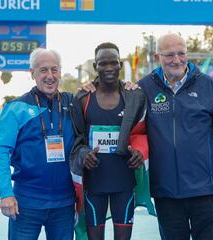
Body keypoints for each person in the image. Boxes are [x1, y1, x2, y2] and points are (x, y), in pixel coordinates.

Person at [138, 33, 213, 240]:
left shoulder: (209, 86)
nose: (176, 59)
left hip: (206, 192)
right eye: (169, 54)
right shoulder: (144, 88)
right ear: (157, 57)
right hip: (166, 192)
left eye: (181, 53)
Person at [0, 48, 76, 240]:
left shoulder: (72, 103)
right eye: (43, 70)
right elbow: (1, 153)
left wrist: (127, 86)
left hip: (64, 204)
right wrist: (5, 193)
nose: (50, 76)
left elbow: (103, 94)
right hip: (26, 203)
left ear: (60, 72)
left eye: (54, 70)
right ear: (32, 73)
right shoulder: (16, 108)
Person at [70, 42, 148, 240]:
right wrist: (83, 154)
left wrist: (139, 151)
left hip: (124, 182)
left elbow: (141, 132)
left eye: (113, 63)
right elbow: (76, 138)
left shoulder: (135, 97)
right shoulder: (82, 98)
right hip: (94, 184)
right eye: (102, 64)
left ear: (120, 64)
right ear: (95, 67)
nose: (109, 68)